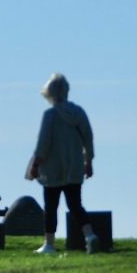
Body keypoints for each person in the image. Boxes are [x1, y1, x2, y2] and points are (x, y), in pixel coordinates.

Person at [27, 72, 99, 254]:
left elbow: (43, 143)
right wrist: (88, 161)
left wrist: (35, 165)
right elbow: (88, 138)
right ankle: (90, 237)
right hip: (74, 166)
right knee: (75, 205)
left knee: (50, 207)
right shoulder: (79, 112)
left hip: (52, 169)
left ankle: (49, 244)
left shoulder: (50, 115)